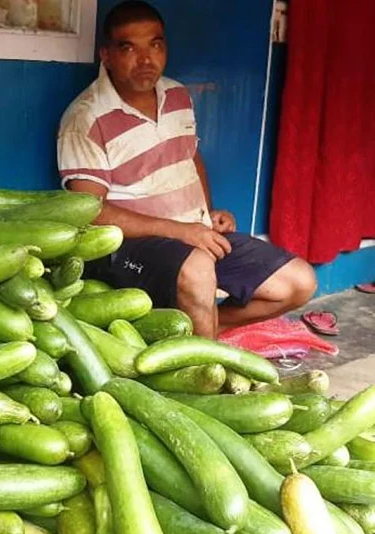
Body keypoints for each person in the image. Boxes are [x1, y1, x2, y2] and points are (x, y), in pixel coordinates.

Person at [57, 0, 317, 339]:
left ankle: (201, 330)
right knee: (198, 267)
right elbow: (89, 212)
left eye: (155, 45)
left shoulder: (176, 94)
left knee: (298, 282)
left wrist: (207, 214)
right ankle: (205, 364)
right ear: (106, 55)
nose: (146, 60)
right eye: (129, 48)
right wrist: (179, 231)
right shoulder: (85, 117)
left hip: (192, 232)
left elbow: (189, 157)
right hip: (129, 246)